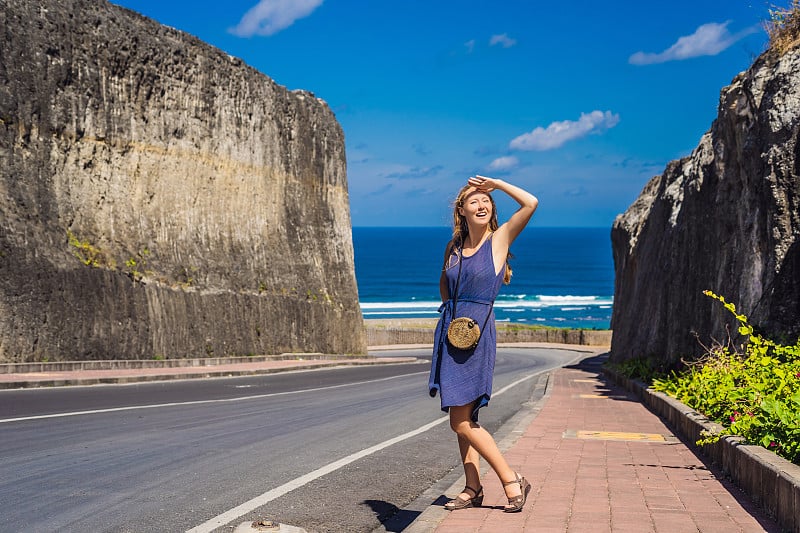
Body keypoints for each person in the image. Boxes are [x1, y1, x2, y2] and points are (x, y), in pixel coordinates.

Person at [428, 175, 538, 513]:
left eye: (486, 201)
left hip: (478, 335)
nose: (481, 204)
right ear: (461, 210)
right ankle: (472, 487)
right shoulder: (454, 248)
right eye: (474, 200)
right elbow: (445, 287)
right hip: (452, 334)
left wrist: (499, 184)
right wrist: (450, 318)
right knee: (463, 413)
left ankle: (510, 479)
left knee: (460, 420)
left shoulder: (499, 239)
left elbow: (531, 203)